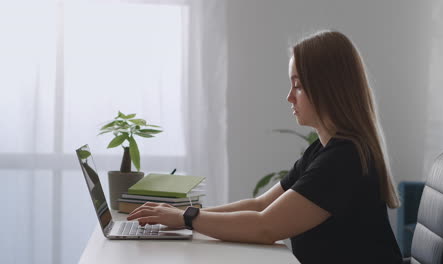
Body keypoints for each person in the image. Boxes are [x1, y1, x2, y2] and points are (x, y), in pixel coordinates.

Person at [127, 30, 403, 263]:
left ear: (326, 88)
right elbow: (260, 204)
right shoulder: (323, 151)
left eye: (297, 86)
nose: (289, 97)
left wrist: (187, 218)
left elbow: (265, 226)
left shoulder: (344, 159)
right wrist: (181, 217)